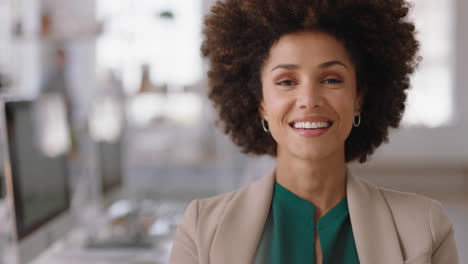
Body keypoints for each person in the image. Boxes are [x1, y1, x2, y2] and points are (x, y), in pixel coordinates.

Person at [170, 0, 459, 263]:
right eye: (286, 81)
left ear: (358, 98)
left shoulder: (425, 229)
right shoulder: (201, 230)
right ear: (260, 104)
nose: (309, 99)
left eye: (331, 79)